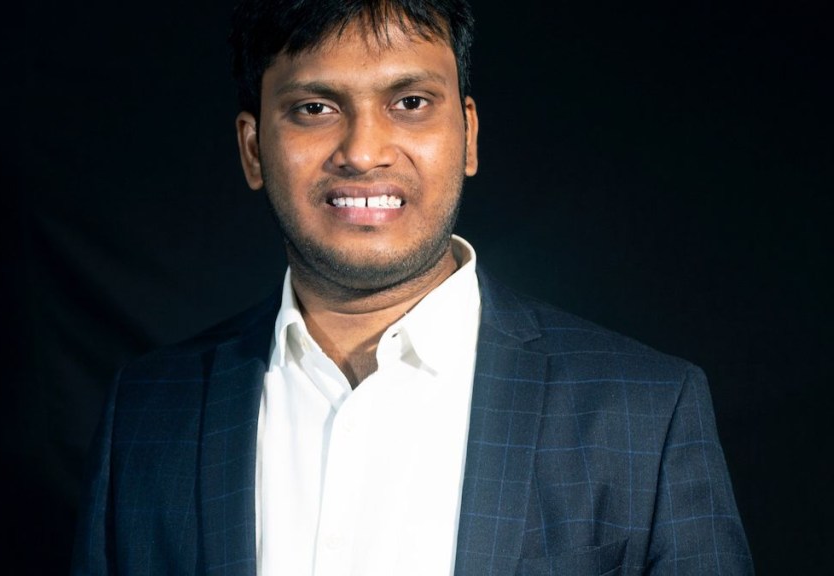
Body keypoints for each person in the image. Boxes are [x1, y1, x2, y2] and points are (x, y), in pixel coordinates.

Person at [71, 0, 753, 574]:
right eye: (314, 107)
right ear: (253, 150)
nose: (364, 151)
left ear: (468, 135)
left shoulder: (644, 413)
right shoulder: (147, 413)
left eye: (410, 102)